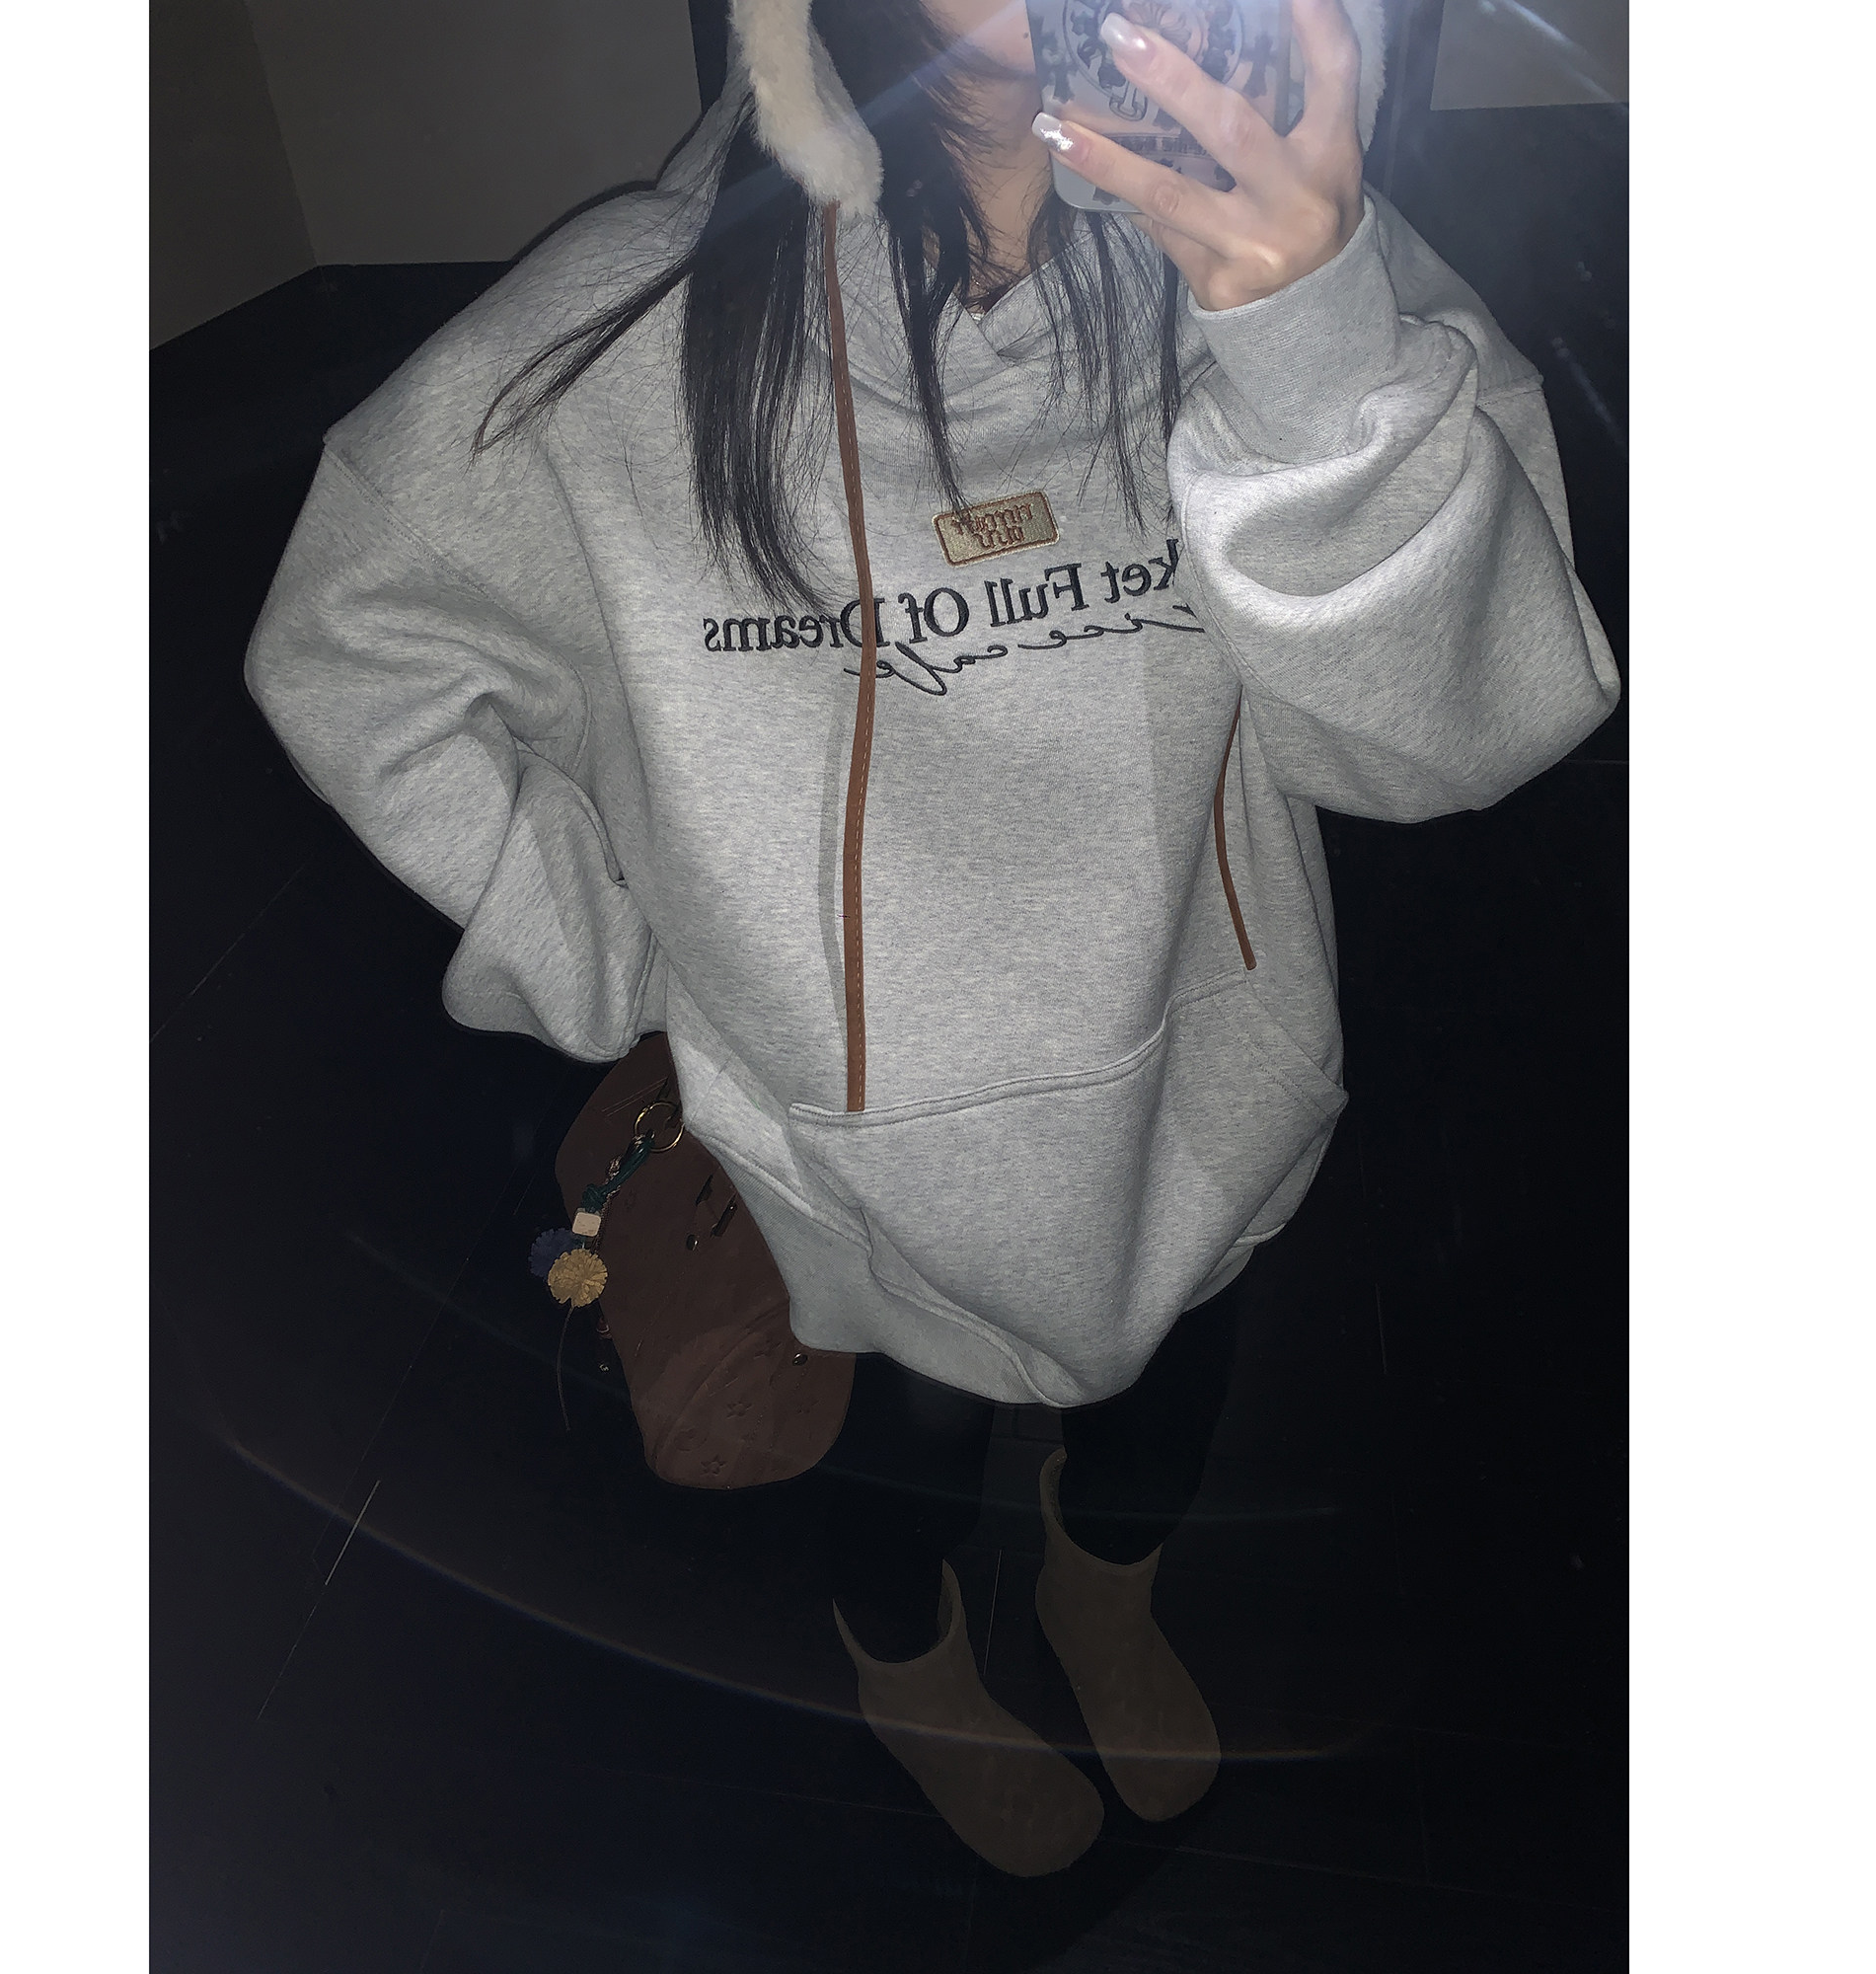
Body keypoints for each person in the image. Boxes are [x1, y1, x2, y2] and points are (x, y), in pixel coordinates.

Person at [245, 0, 1618, 1878]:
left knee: (1161, 1432)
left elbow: (1462, 736)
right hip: (843, 1169)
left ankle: (1102, 1596)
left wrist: (1301, 334)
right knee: (897, 1475)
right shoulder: (640, 310)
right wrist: (621, 957)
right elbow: (355, 648)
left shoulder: (1304, 258)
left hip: (1212, 1086)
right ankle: (910, 1664)